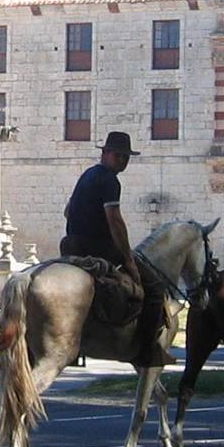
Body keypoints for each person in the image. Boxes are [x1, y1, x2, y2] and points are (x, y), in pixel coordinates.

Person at [60, 131, 169, 370]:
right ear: (105, 154)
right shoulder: (110, 180)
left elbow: (68, 211)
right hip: (98, 248)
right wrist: (128, 259)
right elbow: (115, 221)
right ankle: (145, 350)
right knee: (154, 288)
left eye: (126, 156)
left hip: (71, 245)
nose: (122, 161)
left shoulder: (87, 175)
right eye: (118, 155)